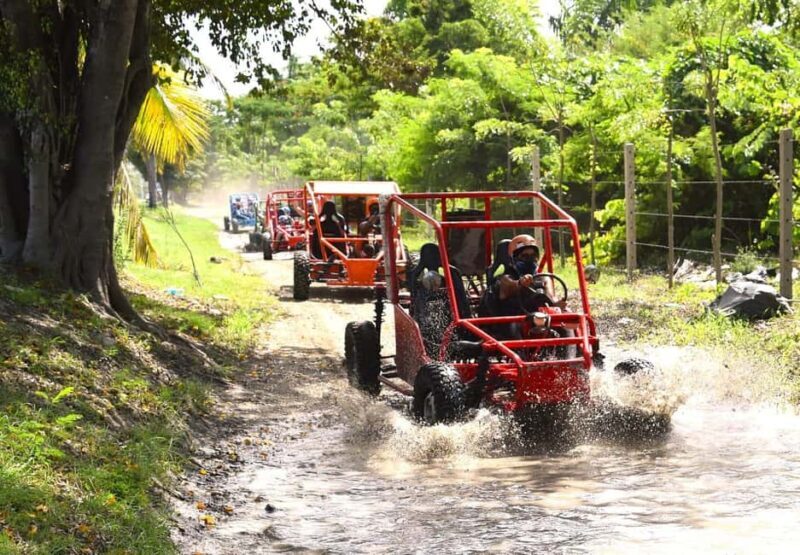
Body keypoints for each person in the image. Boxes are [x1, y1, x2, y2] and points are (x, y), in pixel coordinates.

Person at [482, 234, 561, 319]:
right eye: (524, 256)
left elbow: (552, 299)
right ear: (514, 258)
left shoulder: (544, 278)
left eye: (533, 256)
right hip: (510, 322)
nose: (530, 260)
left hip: (538, 320)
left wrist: (557, 304)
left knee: (566, 321)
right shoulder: (505, 278)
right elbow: (509, 286)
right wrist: (520, 283)